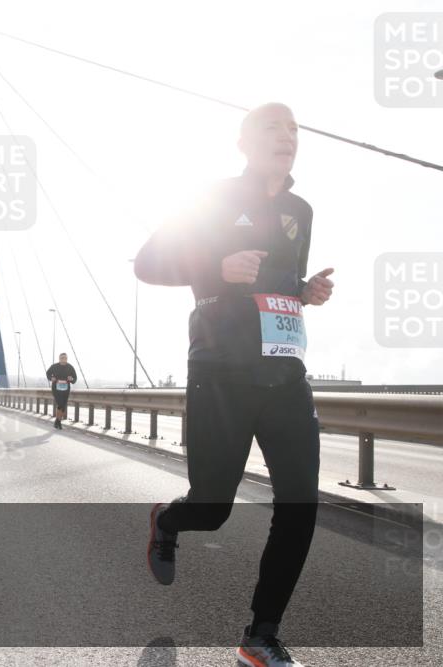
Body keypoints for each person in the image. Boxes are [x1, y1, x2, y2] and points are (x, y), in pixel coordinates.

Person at [135, 103, 333, 667]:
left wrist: (305, 290)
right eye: (274, 127)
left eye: (295, 129)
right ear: (243, 142)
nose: (287, 137)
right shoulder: (211, 197)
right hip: (220, 372)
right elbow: (149, 264)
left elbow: (279, 283)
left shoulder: (301, 209)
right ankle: (168, 520)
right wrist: (216, 267)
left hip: (285, 373)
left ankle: (260, 635)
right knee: (213, 507)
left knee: (300, 505)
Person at [46, 353, 77, 429]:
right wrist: (51, 378)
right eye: (62, 358)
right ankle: (58, 422)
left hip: (66, 389)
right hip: (56, 388)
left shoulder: (70, 367)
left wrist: (71, 379)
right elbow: (48, 373)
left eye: (65, 358)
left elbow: (75, 378)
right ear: (59, 359)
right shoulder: (54, 366)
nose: (63, 359)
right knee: (60, 404)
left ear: (67, 359)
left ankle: (57, 421)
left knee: (63, 406)